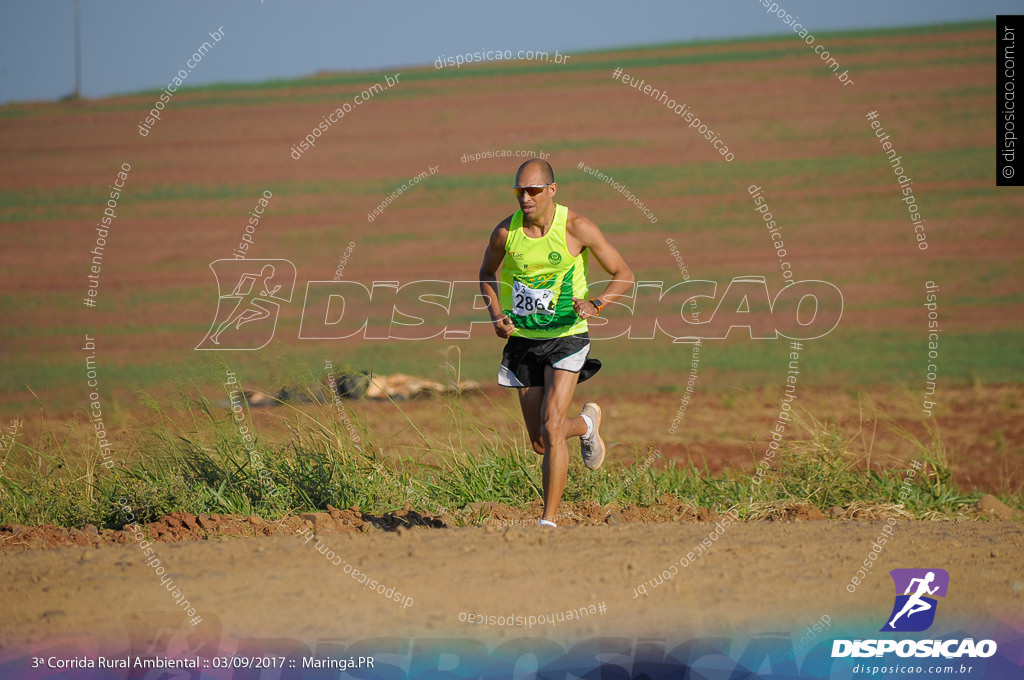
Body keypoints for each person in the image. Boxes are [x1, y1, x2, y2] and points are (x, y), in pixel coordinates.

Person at [478, 159, 635, 527]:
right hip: (523, 342)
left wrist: (596, 304)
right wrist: (497, 315)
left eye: (533, 190)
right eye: (519, 191)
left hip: (568, 337)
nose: (525, 198)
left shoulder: (577, 228)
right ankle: (586, 424)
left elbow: (624, 274)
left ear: (552, 190)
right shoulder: (505, 233)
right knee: (540, 442)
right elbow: (486, 273)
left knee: (551, 427)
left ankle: (548, 521)